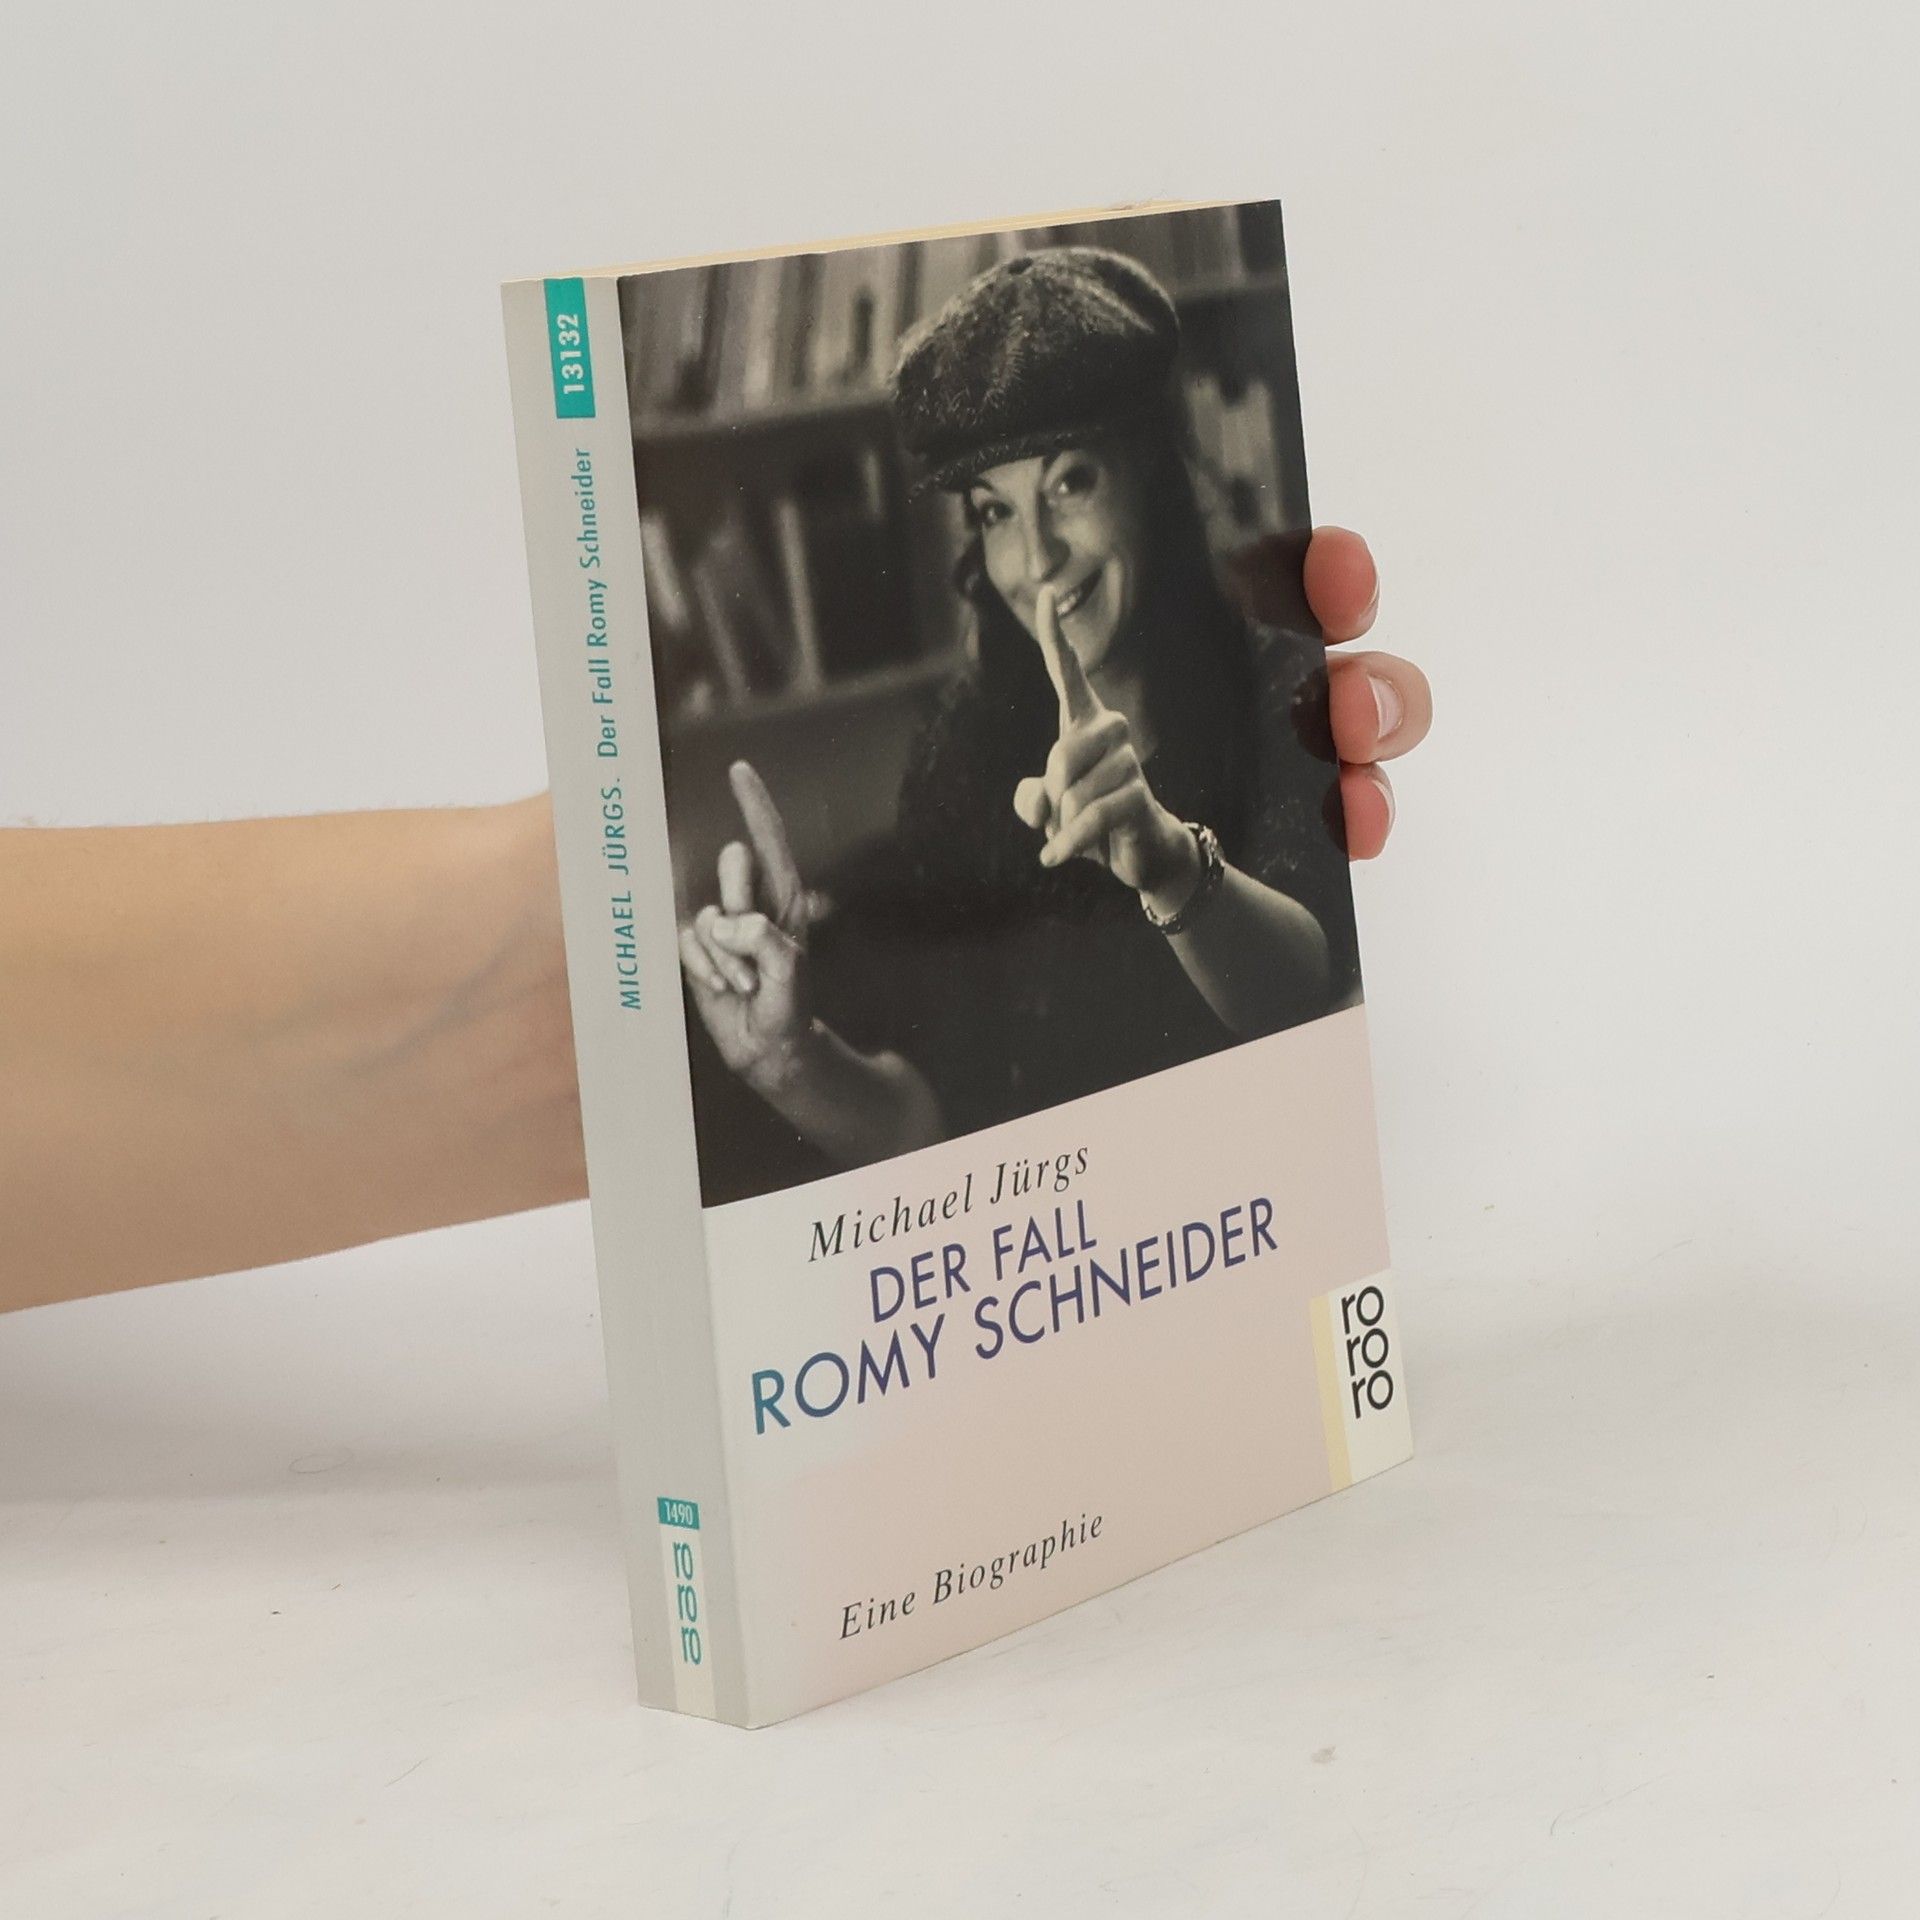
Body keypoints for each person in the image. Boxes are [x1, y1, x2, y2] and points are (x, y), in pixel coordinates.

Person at [676, 248, 1422, 1196]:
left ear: (1154, 480)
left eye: (1071, 484)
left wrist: (1165, 862)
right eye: (995, 512)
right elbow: (934, 1126)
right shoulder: (963, 746)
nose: (1036, 561)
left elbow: (1303, 997)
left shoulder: (1291, 692)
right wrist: (786, 1060)